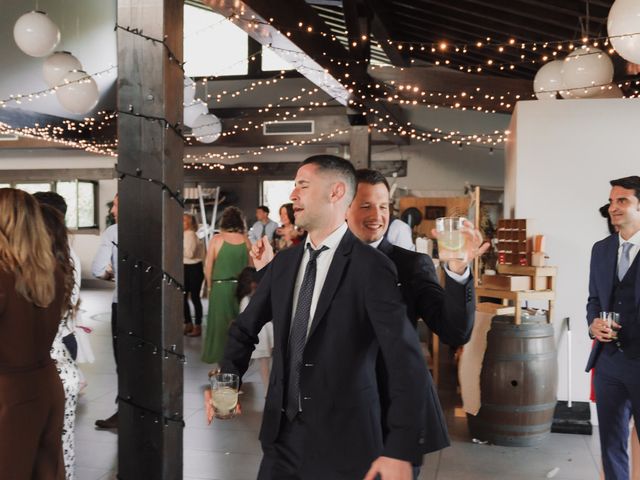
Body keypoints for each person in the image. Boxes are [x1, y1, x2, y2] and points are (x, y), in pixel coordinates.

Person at [207, 155, 430, 480]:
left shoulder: (372, 267)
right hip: (281, 439)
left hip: (347, 442)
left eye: (303, 186)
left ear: (336, 192)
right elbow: (244, 328)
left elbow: (404, 359)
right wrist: (227, 378)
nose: (293, 195)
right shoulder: (284, 264)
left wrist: (399, 448)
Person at [345, 168, 485, 476]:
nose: (377, 215)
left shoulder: (410, 265)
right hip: (338, 411)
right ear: (344, 208)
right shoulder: (324, 263)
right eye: (366, 205)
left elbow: (455, 331)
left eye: (383, 206)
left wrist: (458, 271)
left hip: (396, 408)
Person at [0, 188, 72, 479]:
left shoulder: (4, 274)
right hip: (46, 385)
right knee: (43, 471)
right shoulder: (51, 270)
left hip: (9, 393)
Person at [586, 175, 640, 480]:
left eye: (623, 201)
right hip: (609, 362)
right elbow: (594, 298)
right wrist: (593, 323)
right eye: (611, 200)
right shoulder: (601, 249)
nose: (613, 207)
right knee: (610, 442)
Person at [37, 197, 82, 480]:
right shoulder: (64, 260)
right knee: (59, 450)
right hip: (61, 359)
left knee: (52, 451)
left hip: (51, 360)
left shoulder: (41, 271)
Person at [202, 206, 251, 367]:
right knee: (239, 328)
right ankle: (237, 364)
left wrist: (209, 288)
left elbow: (208, 267)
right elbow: (251, 268)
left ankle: (221, 368)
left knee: (219, 328)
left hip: (220, 288)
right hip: (241, 290)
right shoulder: (246, 240)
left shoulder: (217, 239)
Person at [91, 193, 119, 430]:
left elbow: (98, 269)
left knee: (124, 360)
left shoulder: (113, 232)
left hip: (124, 303)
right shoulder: (157, 227)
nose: (112, 211)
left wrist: (112, 275)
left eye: (116, 205)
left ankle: (125, 411)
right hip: (155, 304)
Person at [240, 266, 273, 394]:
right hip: (257, 338)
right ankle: (267, 392)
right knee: (259, 364)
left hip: (262, 338)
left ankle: (267, 391)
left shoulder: (260, 297)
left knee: (256, 363)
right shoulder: (247, 300)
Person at [183, 213, 205, 337]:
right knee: (184, 297)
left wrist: (175, 248)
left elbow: (190, 254)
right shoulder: (186, 234)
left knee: (194, 298)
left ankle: (196, 325)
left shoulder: (190, 235)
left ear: (190, 223)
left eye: (184, 220)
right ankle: (189, 323)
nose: (181, 223)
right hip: (187, 267)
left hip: (193, 268)